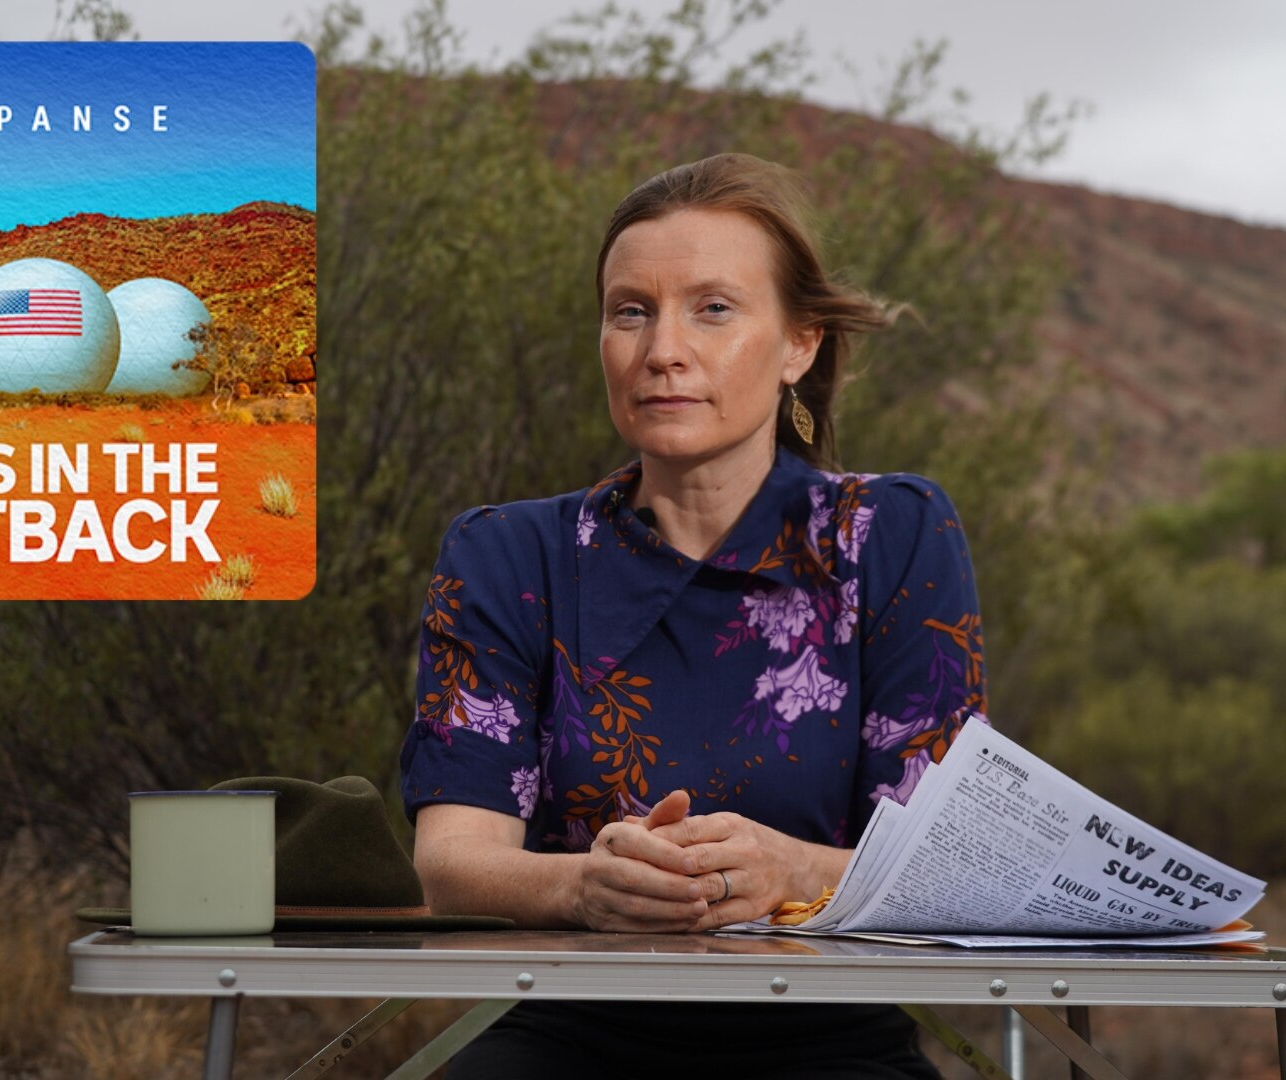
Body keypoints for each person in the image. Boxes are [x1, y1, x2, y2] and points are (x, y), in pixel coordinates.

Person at [399, 152, 984, 1078]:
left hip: (834, 1041)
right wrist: (586, 886)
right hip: (568, 1032)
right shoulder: (506, 555)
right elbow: (452, 864)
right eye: (631, 311)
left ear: (801, 344)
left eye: (713, 308)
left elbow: (945, 860)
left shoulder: (890, 537)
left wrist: (792, 873)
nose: (662, 348)